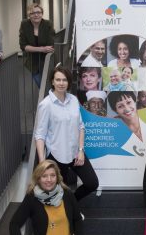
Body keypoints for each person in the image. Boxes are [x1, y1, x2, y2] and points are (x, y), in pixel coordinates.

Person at [35, 67, 99, 201]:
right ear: (52, 81)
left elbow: (81, 126)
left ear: (68, 83)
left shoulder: (74, 100)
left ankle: (72, 204)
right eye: (58, 79)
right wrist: (42, 162)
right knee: (58, 194)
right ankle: (67, 211)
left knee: (92, 183)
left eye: (64, 80)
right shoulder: (46, 105)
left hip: (75, 153)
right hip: (56, 155)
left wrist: (81, 150)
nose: (61, 83)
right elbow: (40, 135)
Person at [20, 3, 55, 87]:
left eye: (38, 12)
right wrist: (42, 49)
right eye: (33, 13)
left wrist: (32, 48)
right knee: (41, 86)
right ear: (29, 15)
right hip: (33, 63)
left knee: (50, 85)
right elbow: (23, 46)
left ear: (42, 14)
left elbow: (50, 46)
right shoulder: (25, 24)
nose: (36, 15)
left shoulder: (48, 24)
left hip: (47, 60)